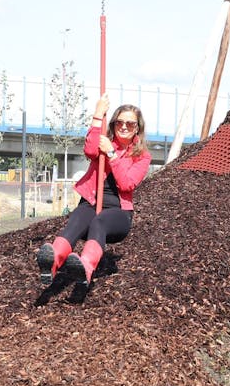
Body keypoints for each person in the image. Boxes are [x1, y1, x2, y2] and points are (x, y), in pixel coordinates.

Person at [36, 94, 151, 284]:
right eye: (119, 122)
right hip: (91, 202)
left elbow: (126, 184)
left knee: (100, 222)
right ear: (113, 124)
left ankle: (86, 267)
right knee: (76, 221)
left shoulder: (142, 156)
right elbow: (90, 150)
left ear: (137, 128)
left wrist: (112, 154)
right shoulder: (103, 142)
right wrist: (98, 114)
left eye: (130, 124)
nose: (123, 126)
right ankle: (52, 261)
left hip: (118, 213)